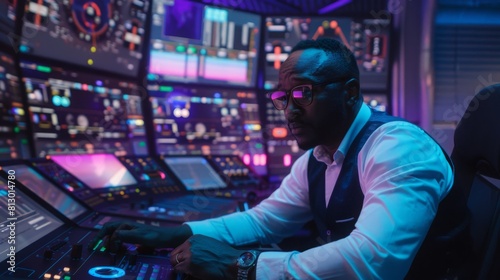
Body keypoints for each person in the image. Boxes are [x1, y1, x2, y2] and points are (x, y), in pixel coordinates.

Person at [89, 38, 469, 279]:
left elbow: (375, 261)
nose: (289, 110)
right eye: (283, 97)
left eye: (303, 93)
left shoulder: (398, 148)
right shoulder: (317, 158)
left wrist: (241, 265)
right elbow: (266, 220)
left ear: (350, 93)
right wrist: (176, 234)